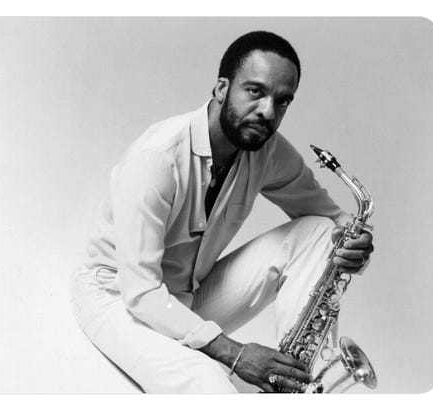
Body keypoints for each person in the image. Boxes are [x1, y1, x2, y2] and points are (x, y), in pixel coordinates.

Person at [69, 31, 376, 393]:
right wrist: (234, 354)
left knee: (319, 231)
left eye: (282, 101)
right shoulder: (156, 159)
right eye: (255, 91)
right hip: (117, 298)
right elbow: (142, 293)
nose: (268, 111)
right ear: (221, 89)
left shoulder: (268, 151)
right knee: (208, 380)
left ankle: (294, 381)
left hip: (186, 298)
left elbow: (335, 221)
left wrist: (353, 246)